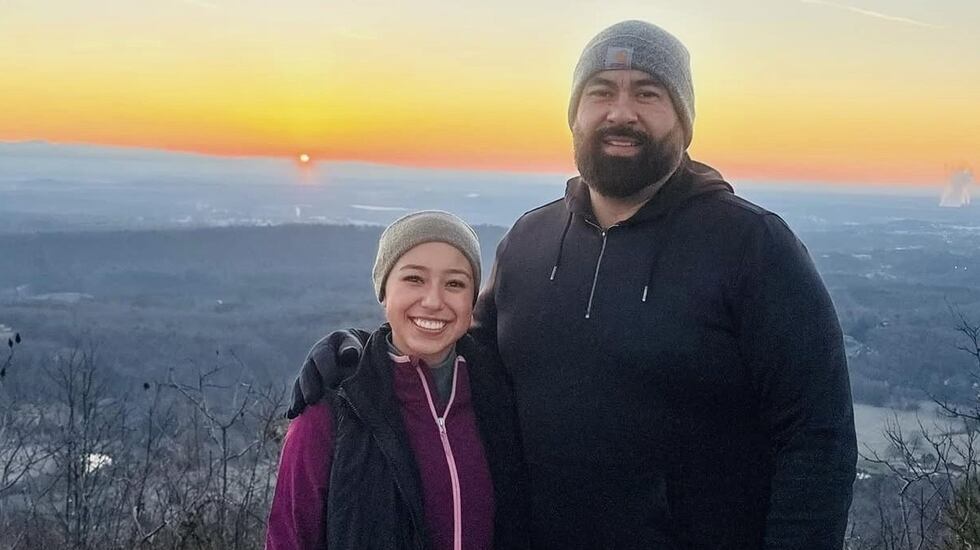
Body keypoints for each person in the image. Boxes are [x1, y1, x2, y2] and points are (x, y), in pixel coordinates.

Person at [287, 20, 857, 549]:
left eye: (647, 93)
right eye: (601, 91)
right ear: (575, 114)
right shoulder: (531, 241)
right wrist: (364, 357)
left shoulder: (752, 246)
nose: (621, 112)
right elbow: (465, 357)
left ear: (682, 120)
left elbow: (818, 437)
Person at [266, 211, 528, 550]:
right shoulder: (334, 408)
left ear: (472, 299)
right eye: (414, 279)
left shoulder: (498, 398)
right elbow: (290, 539)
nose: (434, 301)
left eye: (455, 283)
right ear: (384, 292)